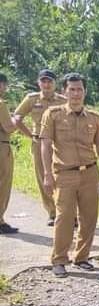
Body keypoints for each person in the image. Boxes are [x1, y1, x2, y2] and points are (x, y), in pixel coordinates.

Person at [39, 73, 99, 277]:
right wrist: (47, 174)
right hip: (64, 174)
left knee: (89, 218)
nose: (76, 93)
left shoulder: (94, 118)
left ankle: (82, 257)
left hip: (90, 173)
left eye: (79, 89)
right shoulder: (53, 115)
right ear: (64, 91)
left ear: (85, 92)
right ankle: (59, 259)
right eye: (72, 89)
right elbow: (45, 145)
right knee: (64, 217)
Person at [13, 69, 67, 226]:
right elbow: (17, 118)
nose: (47, 84)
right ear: (39, 83)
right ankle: (52, 213)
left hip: (60, 143)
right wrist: (30, 134)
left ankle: (69, 212)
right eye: (43, 81)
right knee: (44, 177)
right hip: (39, 142)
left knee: (64, 177)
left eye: (50, 81)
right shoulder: (31, 99)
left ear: (55, 83)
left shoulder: (63, 100)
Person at [0, 72, 18, 234]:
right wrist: (15, 119)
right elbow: (8, 127)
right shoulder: (1, 104)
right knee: (3, 183)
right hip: (1, 147)